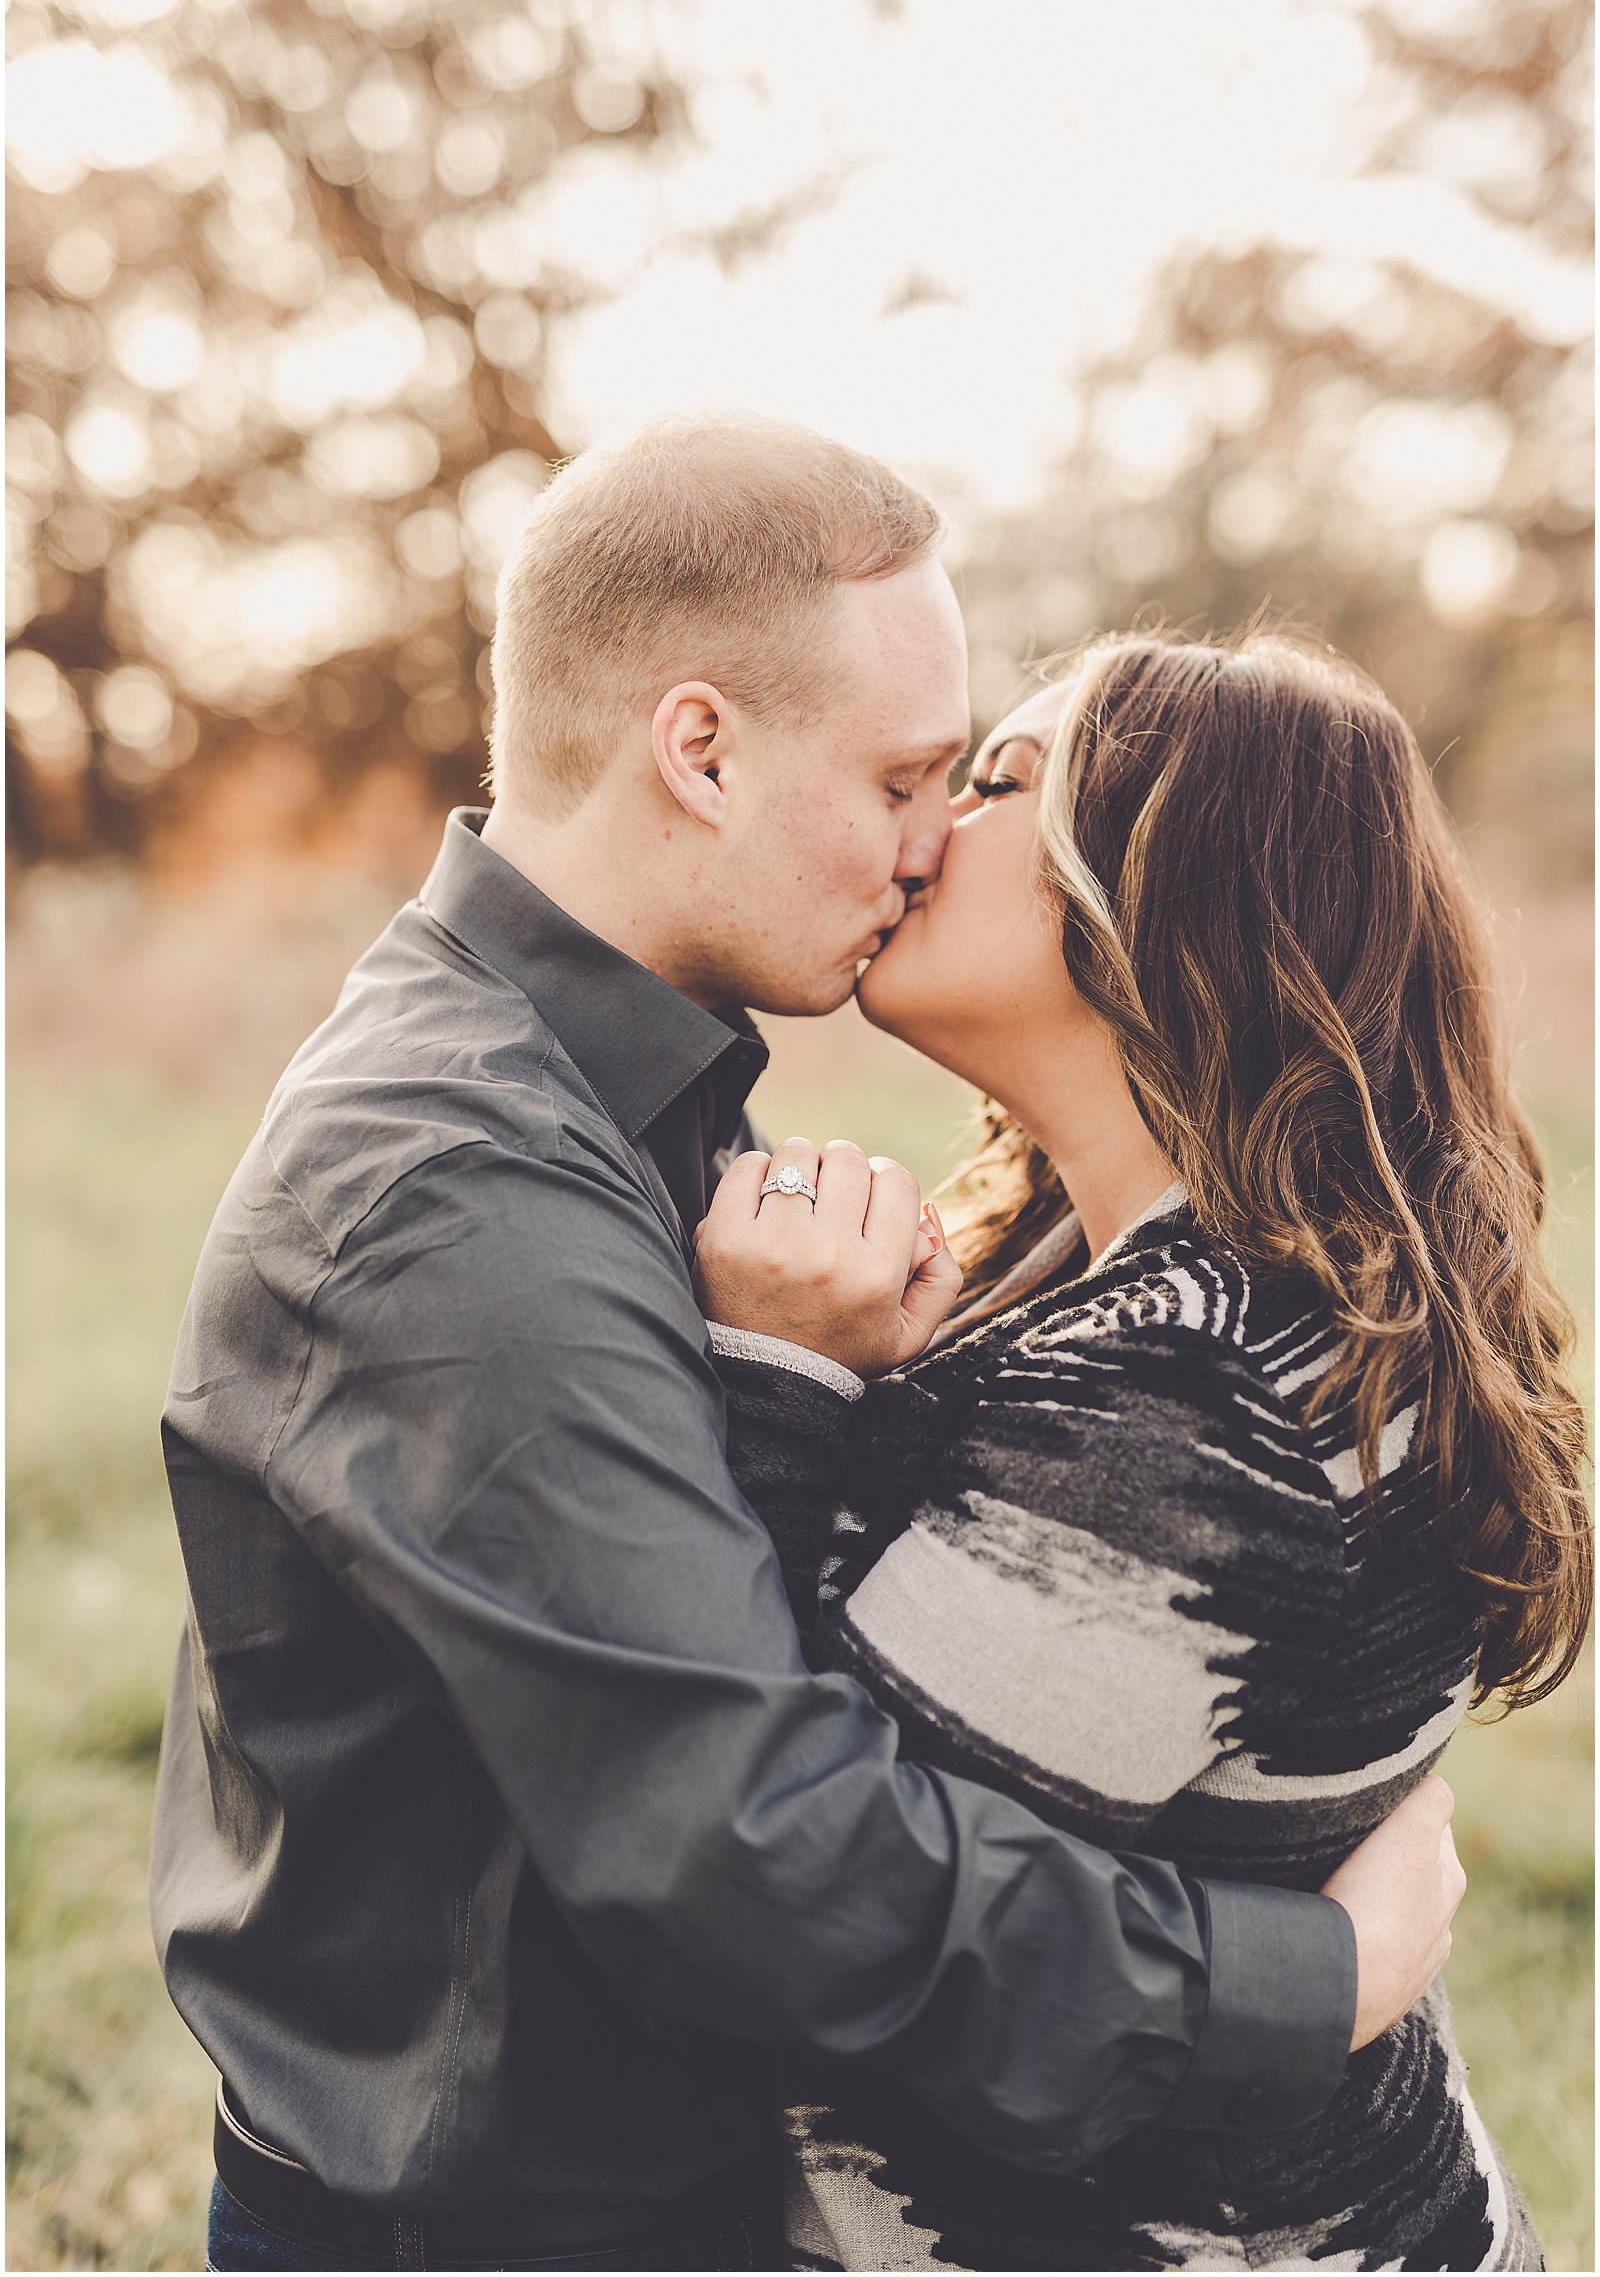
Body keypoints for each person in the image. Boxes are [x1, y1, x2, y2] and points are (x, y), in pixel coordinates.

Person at [152, 421, 1465, 2275]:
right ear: (701, 749)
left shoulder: (653, 1089)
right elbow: (750, 1857)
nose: (937, 841)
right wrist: (1310, 1978)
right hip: (503, 2233)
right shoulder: (456, 1186)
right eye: (911, 776)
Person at [693, 631, 1592, 2271]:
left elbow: (799, 1910)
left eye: (999, 784)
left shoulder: (1199, 1388)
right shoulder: (1192, 1279)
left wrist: (777, 1388)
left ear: (1180, 880)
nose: (918, 835)